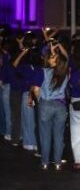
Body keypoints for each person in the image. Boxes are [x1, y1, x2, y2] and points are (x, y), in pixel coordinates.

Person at [32, 42, 69, 170]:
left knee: (45, 135)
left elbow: (36, 89)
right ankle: (58, 163)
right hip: (61, 106)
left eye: (52, 57)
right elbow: (66, 58)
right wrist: (57, 50)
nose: (49, 58)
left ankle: (45, 162)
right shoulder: (65, 72)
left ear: (53, 61)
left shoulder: (42, 72)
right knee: (58, 135)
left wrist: (38, 100)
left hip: (45, 104)